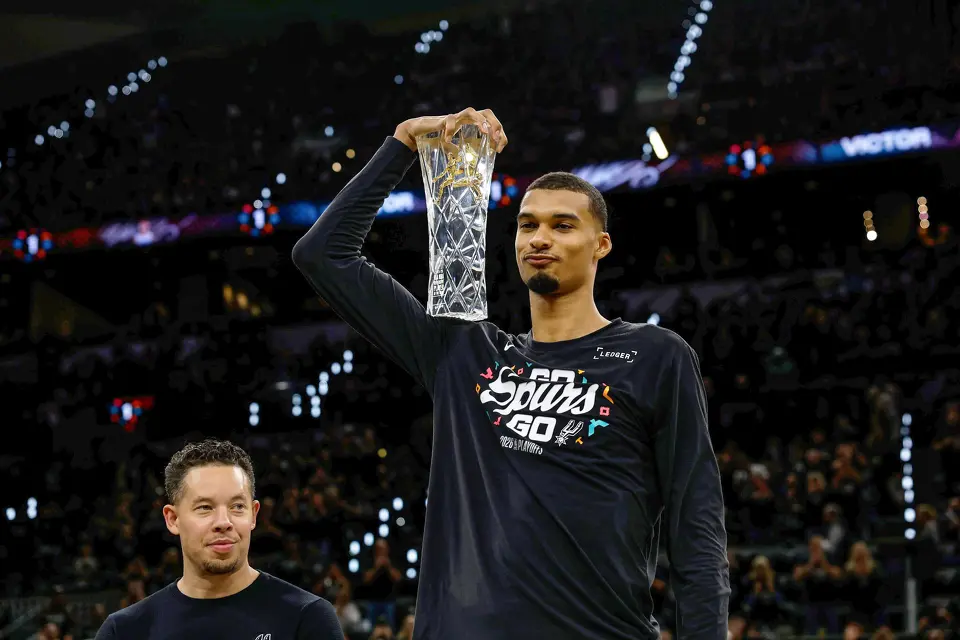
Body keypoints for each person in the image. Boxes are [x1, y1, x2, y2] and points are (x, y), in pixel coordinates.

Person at [292, 107, 729, 639]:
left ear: (601, 246)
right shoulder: (463, 352)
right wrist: (404, 143)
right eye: (527, 225)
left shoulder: (655, 355)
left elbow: (696, 530)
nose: (539, 238)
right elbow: (323, 255)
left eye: (562, 225)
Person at [95, 439, 343, 639]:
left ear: (254, 515)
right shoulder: (125, 631)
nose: (224, 522)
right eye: (204, 508)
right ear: (172, 519)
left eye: (237, 506)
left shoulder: (306, 618)